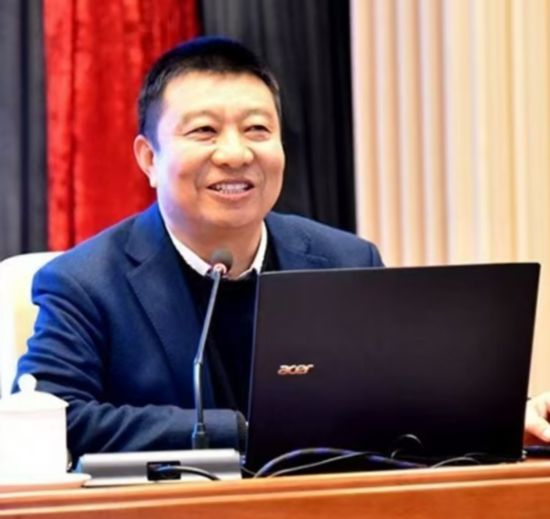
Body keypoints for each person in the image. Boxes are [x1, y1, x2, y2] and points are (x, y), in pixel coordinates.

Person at [15, 37, 384, 462]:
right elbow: (52, 417)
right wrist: (234, 431)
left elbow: (398, 402)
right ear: (149, 159)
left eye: (257, 129)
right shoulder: (85, 283)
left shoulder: (347, 263)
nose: (235, 154)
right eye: (204, 131)